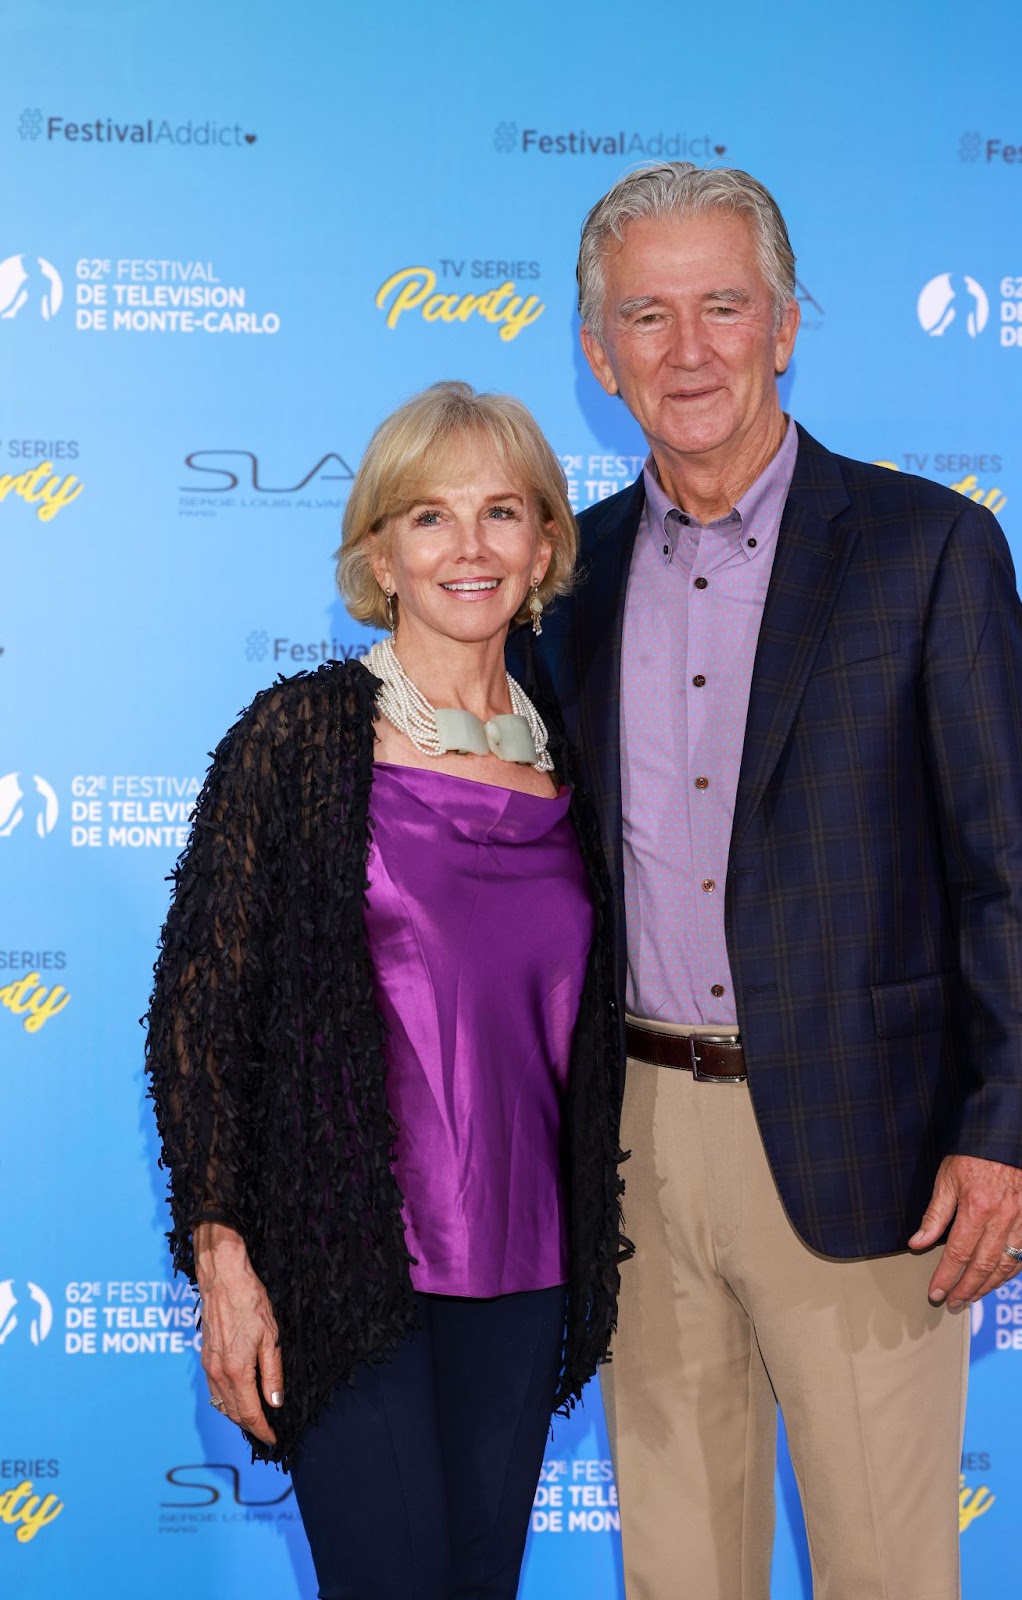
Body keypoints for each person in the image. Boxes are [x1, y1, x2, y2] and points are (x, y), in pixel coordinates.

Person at [508, 164, 1022, 1600]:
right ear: (596, 352)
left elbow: (1003, 873)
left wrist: (1003, 1136)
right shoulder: (568, 581)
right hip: (631, 1141)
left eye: (721, 307)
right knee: (678, 1568)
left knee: (885, 1569)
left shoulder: (927, 549)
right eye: (645, 314)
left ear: (786, 324)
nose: (686, 351)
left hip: (867, 1141)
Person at [146, 381, 628, 1600]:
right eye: (428, 516)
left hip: (526, 1271)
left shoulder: (579, 754)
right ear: (378, 553)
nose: (469, 547)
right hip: (348, 1262)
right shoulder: (300, 741)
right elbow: (200, 1013)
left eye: (502, 512)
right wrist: (221, 1253)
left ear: (546, 546)